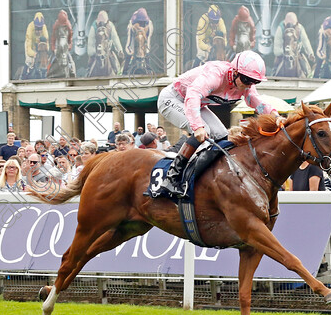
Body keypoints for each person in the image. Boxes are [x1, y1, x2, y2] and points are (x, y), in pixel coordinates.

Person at [154, 50, 279, 198]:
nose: (249, 85)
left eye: (254, 81)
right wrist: (198, 127)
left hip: (197, 103)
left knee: (222, 135)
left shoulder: (245, 83)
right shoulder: (216, 74)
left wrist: (276, 116)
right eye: (247, 80)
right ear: (235, 72)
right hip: (173, 99)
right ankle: (171, 178)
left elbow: (256, 102)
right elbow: (193, 95)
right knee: (203, 129)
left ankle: (206, 177)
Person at [272, 12, 314, 78]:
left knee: (306, 67)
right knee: (276, 64)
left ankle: (309, 76)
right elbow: (276, 50)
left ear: (296, 24)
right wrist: (285, 51)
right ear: (284, 23)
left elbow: (306, 42)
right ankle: (274, 74)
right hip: (283, 53)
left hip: (296, 52)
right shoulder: (280, 28)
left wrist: (310, 53)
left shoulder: (300, 28)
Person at [86, 10, 123, 77]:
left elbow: (115, 38)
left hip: (107, 50)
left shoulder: (110, 25)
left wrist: (119, 50)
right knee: (90, 63)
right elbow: (90, 43)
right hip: (96, 51)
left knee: (115, 61)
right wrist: (94, 51)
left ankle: (118, 73)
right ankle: (88, 73)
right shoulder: (93, 27)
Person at [22, 12, 50, 80]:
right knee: (29, 61)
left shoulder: (44, 27)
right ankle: (23, 75)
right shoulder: (30, 27)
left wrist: (45, 50)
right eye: (37, 28)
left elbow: (47, 43)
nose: (39, 31)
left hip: (39, 45)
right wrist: (34, 54)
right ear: (34, 25)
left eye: (40, 28)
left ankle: (44, 72)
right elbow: (29, 49)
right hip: (31, 44)